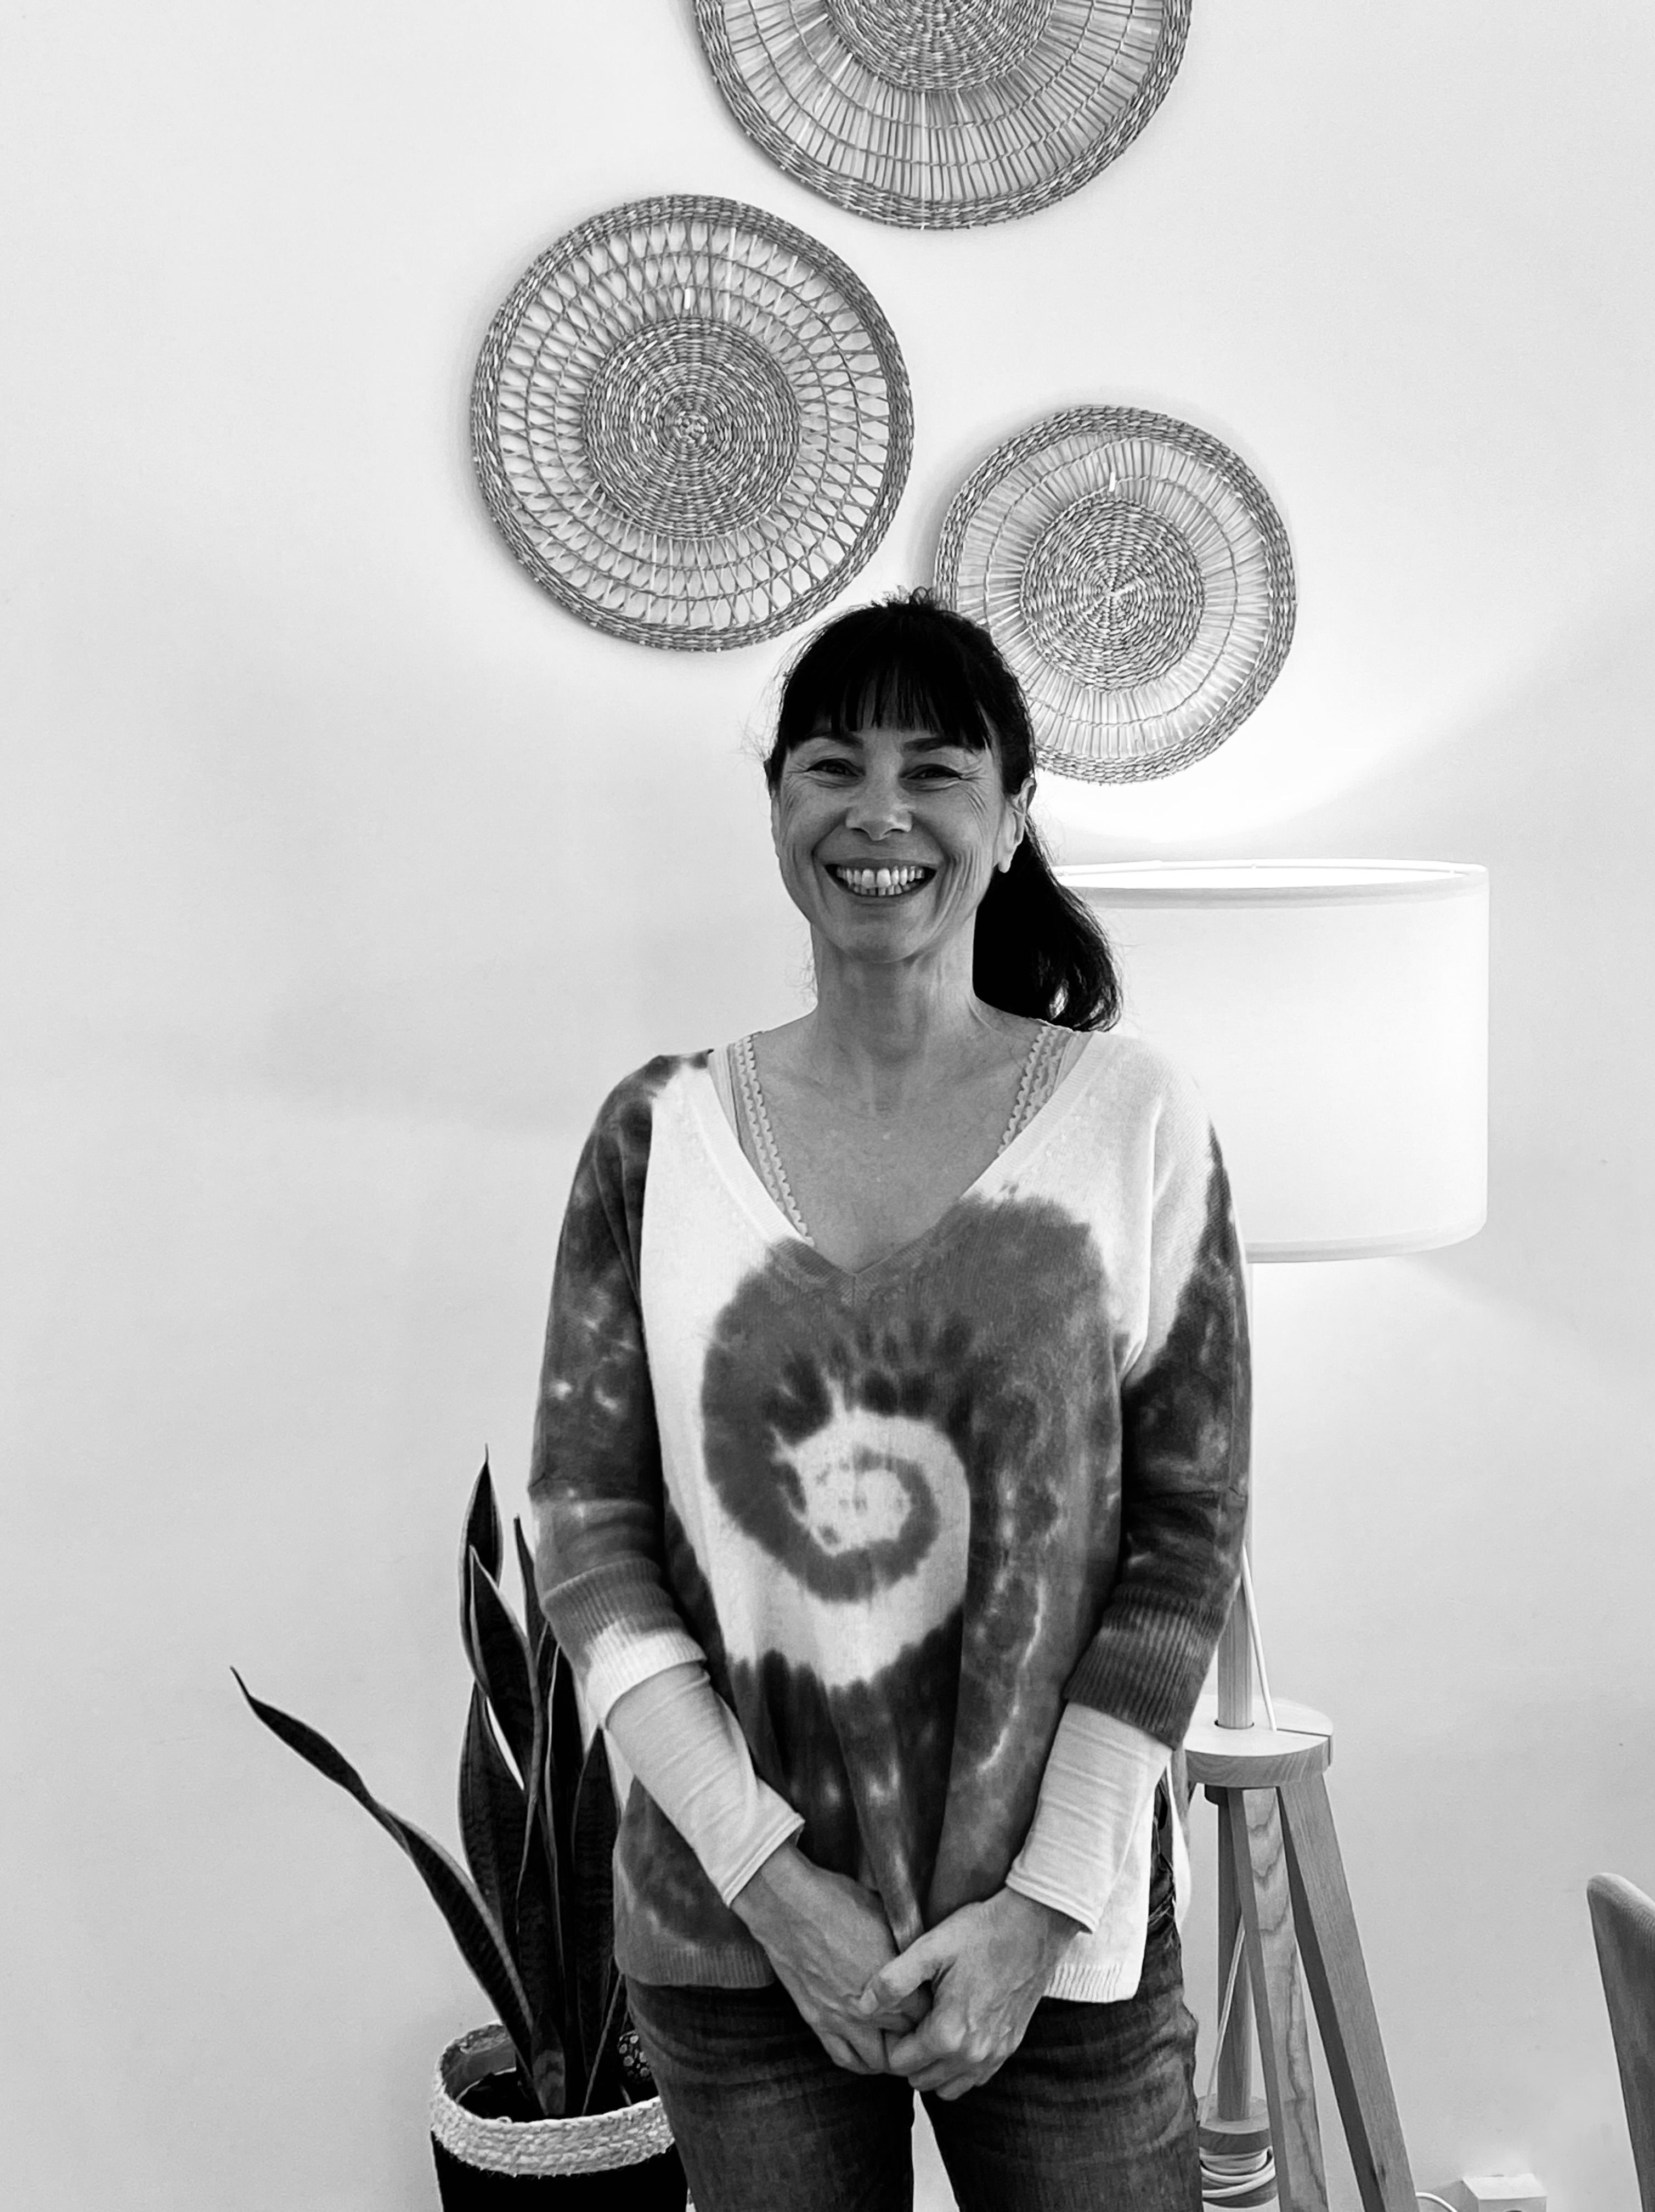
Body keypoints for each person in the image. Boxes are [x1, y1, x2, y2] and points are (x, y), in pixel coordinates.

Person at [529, 591, 1250, 2211]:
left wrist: (1043, 1908)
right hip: (740, 1940)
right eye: (833, 766)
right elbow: (586, 1533)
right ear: (777, 804)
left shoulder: (1131, 1117)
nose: (880, 812)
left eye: (935, 770)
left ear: (1012, 815)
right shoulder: (658, 1136)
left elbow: (1188, 1536)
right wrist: (770, 1881)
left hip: (1054, 1940)